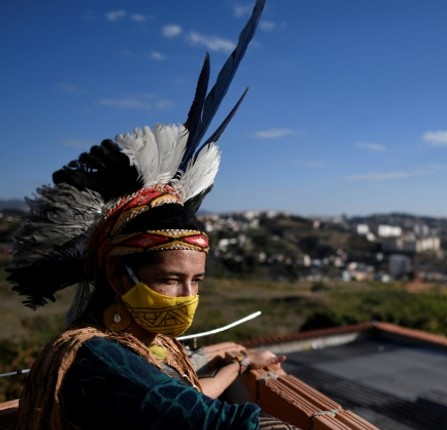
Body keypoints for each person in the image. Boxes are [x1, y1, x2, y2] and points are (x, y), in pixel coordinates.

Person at [7, 0, 300, 428]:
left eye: (196, 280)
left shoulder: (145, 344)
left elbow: (184, 393)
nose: (187, 298)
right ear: (117, 276)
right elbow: (208, 419)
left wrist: (236, 362)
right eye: (169, 279)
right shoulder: (98, 356)